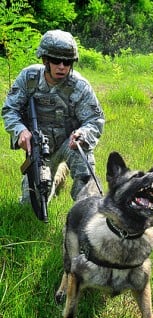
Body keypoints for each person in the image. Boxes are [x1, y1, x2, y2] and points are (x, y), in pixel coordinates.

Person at [2, 29, 105, 202]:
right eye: (56, 61)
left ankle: (87, 208)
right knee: (32, 202)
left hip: (68, 143)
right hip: (38, 147)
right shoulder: (29, 79)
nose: (62, 67)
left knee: (83, 156)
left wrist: (83, 134)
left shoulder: (79, 86)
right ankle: (57, 176)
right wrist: (20, 131)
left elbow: (95, 120)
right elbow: (10, 110)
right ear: (45, 60)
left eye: (67, 61)